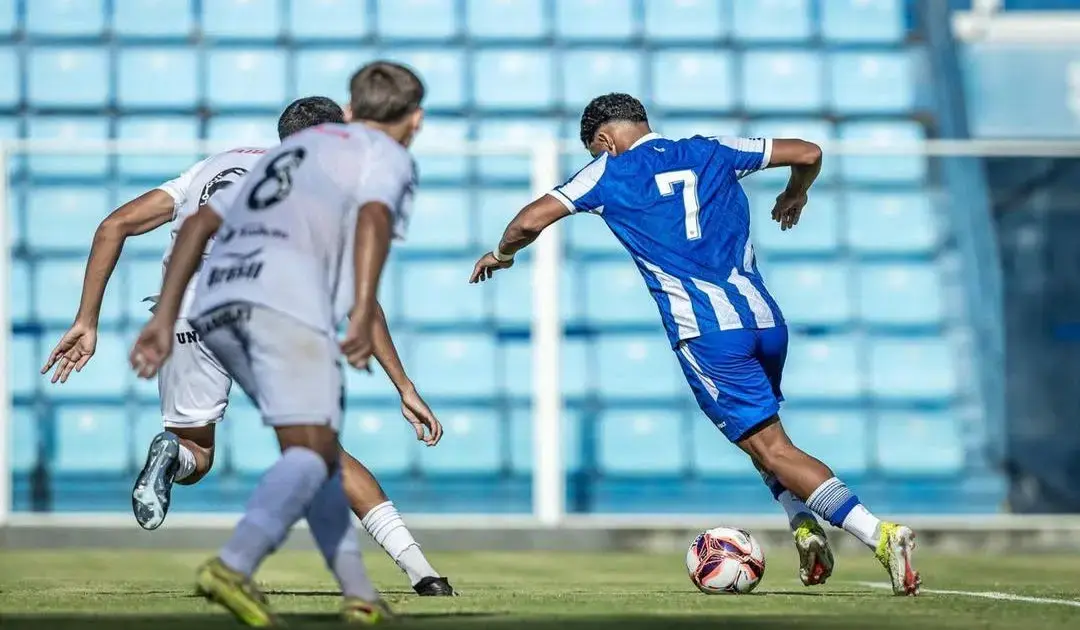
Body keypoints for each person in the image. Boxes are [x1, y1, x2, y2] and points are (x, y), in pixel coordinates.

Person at [469, 93, 921, 597]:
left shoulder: (607, 172)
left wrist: (502, 253)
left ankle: (878, 534)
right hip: (765, 319)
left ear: (604, 140)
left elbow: (527, 222)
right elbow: (809, 152)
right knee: (761, 439)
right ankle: (802, 523)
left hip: (706, 330)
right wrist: (797, 193)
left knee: (772, 448)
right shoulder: (713, 149)